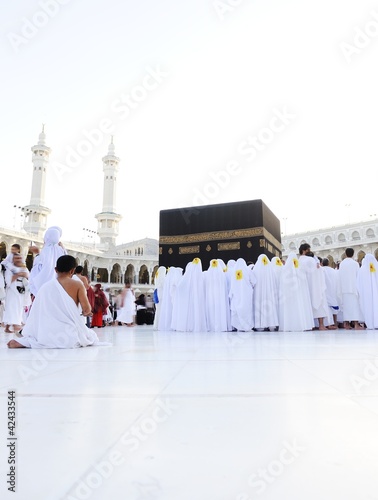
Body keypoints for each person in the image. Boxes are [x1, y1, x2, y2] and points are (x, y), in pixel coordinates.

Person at [7, 255, 110, 348]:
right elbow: (87, 309)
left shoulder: (45, 287)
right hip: (67, 336)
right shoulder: (78, 285)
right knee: (89, 336)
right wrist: (85, 312)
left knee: (36, 338)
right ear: (72, 271)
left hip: (45, 335)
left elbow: (35, 314)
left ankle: (27, 342)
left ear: (55, 270)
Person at [278, 252, 314, 332]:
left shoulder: (285, 269)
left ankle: (289, 325)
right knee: (299, 309)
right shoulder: (300, 269)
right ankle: (301, 324)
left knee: (290, 310)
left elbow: (283, 284)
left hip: (289, 296)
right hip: (299, 296)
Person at [298, 243, 329, 331]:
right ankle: (321, 325)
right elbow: (319, 272)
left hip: (304, 288)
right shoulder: (311, 260)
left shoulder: (298, 261)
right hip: (314, 286)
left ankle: (309, 324)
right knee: (318, 303)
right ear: (304, 250)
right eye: (308, 249)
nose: (310, 251)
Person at [29, 226, 66, 297]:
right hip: (58, 286)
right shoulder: (61, 250)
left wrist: (38, 253)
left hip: (43, 287)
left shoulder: (46, 250)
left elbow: (39, 267)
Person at [2, 253, 31, 334]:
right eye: (16, 258)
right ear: (13, 259)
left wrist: (18, 274)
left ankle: (8, 327)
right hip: (12, 290)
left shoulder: (23, 267)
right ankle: (16, 326)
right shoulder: (10, 268)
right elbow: (9, 280)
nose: (18, 260)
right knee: (12, 308)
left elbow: (27, 275)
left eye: (19, 258)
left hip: (21, 290)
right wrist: (19, 274)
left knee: (18, 308)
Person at [338, 247, 365, 330]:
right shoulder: (355, 264)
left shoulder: (342, 264)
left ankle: (346, 324)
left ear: (345, 254)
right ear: (353, 254)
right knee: (354, 306)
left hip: (344, 288)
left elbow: (340, 276)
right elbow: (358, 276)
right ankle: (356, 324)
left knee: (346, 307)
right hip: (353, 288)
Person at [356, 253, 378, 329]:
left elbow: (358, 283)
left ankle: (370, 324)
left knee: (367, 308)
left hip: (365, 294)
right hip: (375, 294)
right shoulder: (375, 268)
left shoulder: (362, 269)